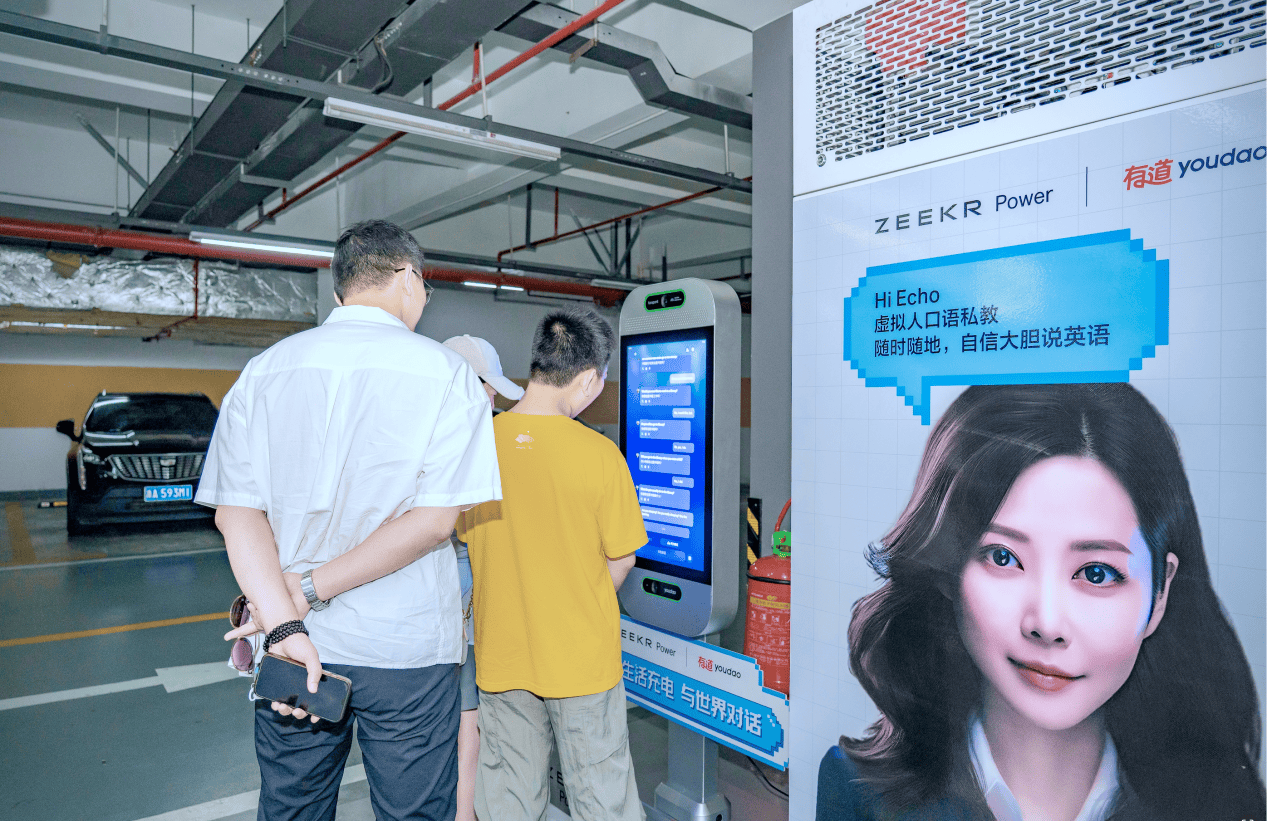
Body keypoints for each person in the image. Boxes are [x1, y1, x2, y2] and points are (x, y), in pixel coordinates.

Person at [816, 383, 1264, 821]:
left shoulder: (1223, 806)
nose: (1046, 624)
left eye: (1096, 573)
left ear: (1160, 593)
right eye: (1003, 558)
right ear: (948, 568)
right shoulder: (858, 793)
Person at [199, 219, 501, 821]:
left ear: (341, 290)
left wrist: (284, 623)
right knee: (414, 812)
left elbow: (236, 514)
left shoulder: (264, 370)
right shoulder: (447, 376)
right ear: (408, 279)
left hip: (294, 648)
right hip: (407, 651)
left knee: (293, 806)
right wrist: (309, 589)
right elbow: (434, 523)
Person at [457, 307, 648, 821]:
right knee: (603, 798)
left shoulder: (479, 447)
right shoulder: (600, 455)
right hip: (581, 661)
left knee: (508, 800)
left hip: (503, 655)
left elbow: (467, 537)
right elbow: (622, 558)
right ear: (586, 379)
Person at [439, 334, 525, 821]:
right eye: (485, 387)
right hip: (462, 610)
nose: (493, 398)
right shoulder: (480, 444)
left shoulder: (416, 435)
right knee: (465, 718)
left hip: (445, 611)